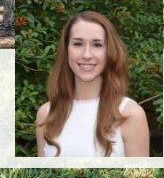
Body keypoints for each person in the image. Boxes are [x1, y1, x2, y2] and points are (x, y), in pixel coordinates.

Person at [35, 11, 150, 157]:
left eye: (97, 44)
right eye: (78, 44)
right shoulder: (46, 114)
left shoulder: (130, 114)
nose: (87, 55)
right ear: (66, 49)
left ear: (109, 51)